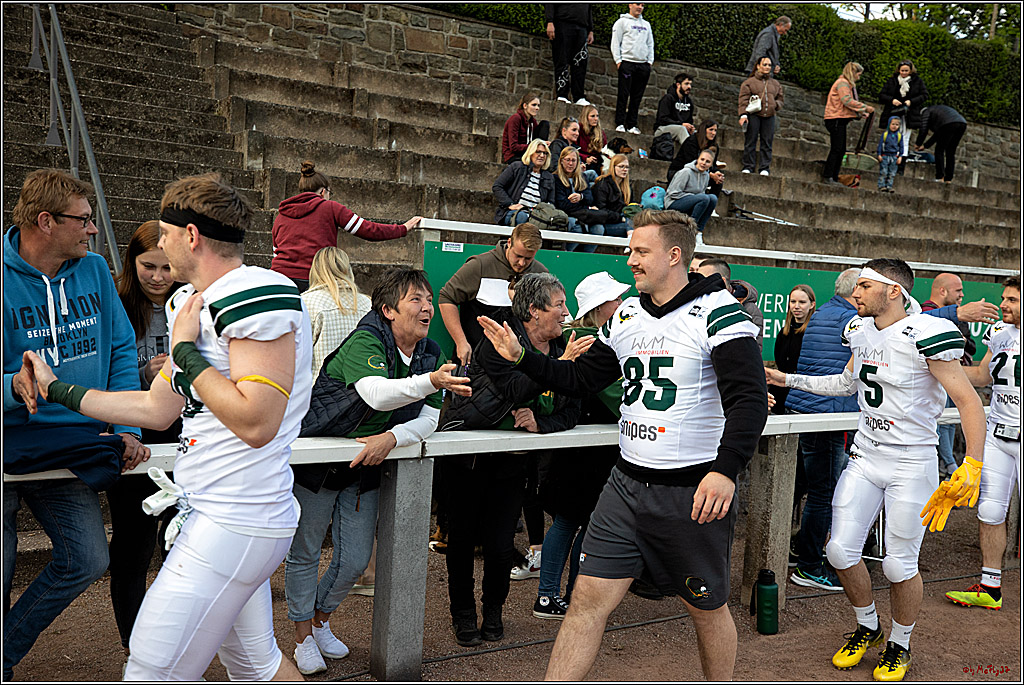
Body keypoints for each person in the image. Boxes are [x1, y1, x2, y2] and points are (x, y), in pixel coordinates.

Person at [19, 172, 311, 680]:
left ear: (191, 236)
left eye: (165, 233)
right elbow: (158, 410)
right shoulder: (189, 301)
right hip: (217, 512)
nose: (161, 242)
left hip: (237, 517)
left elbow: (257, 422)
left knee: (150, 670)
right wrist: (56, 389)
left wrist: (181, 351)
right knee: (255, 666)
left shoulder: (257, 292)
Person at [478, 209, 769, 680]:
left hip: (690, 491)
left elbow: (750, 401)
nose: (630, 259)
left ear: (675, 256)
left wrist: (725, 468)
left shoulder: (720, 314)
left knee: (706, 608)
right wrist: (523, 358)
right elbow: (580, 378)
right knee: (586, 603)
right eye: (629, 249)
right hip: (625, 485)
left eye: (640, 251)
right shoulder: (629, 314)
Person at [766, 258, 987, 682]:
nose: (856, 293)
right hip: (867, 455)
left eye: (865, 285)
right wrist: (787, 379)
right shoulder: (859, 329)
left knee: (899, 565)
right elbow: (846, 384)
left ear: (893, 291)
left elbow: (967, 402)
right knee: (838, 551)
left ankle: (900, 642)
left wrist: (972, 464)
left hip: (911, 460)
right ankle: (868, 625)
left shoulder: (926, 333)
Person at [288, 268, 470, 674]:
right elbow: (376, 393)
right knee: (305, 552)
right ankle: (301, 636)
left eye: (428, 299)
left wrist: (392, 439)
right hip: (319, 463)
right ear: (388, 309)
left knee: (354, 560)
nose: (426, 308)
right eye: (415, 300)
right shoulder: (366, 338)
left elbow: (428, 421)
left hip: (368, 461)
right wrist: (428, 382)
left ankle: (319, 622)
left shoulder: (431, 352)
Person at [4, 169, 147, 680]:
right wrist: (11, 387)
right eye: (82, 220)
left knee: (86, 557)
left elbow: (121, 349)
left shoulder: (94, 271)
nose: (93, 230)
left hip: (72, 446)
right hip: (9, 444)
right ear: (45, 221)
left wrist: (126, 423)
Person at [439, 273, 581, 647]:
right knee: (463, 541)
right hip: (467, 457)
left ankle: (494, 612)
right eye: (559, 305)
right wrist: (560, 365)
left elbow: (574, 409)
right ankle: (463, 614)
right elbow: (516, 388)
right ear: (533, 311)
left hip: (514, 463)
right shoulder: (498, 337)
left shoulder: (563, 345)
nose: (567, 313)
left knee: (502, 546)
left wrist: (542, 422)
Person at [108, 220, 184, 665]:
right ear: (131, 263)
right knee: (132, 545)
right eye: (148, 266)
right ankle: (134, 646)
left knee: (179, 540)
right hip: (133, 437)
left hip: (182, 437)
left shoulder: (191, 303)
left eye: (166, 267)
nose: (158, 277)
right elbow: (105, 375)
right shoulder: (115, 304)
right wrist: (146, 375)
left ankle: (173, 637)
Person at [533, 272, 629, 620]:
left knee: (578, 521)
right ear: (601, 306)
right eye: (615, 300)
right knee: (570, 520)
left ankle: (566, 596)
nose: (621, 305)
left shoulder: (597, 337)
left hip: (589, 449)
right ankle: (550, 596)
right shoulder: (589, 340)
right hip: (581, 452)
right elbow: (615, 396)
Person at [945, 275, 1020, 611]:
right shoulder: (1001, 334)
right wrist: (942, 371)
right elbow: (981, 376)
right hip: (999, 433)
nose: (1003, 305)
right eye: (1005, 298)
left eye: (1013, 300)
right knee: (990, 510)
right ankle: (990, 587)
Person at [271, 161, 419, 292]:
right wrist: (402, 228)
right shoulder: (329, 208)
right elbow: (368, 230)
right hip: (315, 278)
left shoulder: (281, 215)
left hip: (279, 279)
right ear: (323, 192)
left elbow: (276, 251)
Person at [438, 222, 548, 368]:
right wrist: (461, 342)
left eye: (528, 259)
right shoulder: (480, 265)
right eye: (518, 256)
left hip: (519, 364)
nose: (521, 263)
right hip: (477, 363)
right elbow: (446, 298)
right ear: (509, 243)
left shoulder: (541, 274)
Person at [921, 273, 976, 478]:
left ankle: (949, 466)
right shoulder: (924, 313)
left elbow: (968, 346)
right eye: (958, 290)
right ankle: (951, 466)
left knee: (951, 424)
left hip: (954, 380)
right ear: (942, 291)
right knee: (941, 424)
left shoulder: (956, 318)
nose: (962, 295)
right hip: (935, 384)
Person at [301, 246, 371, 378]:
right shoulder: (367, 303)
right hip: (359, 388)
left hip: (319, 390)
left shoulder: (307, 302)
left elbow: (299, 354)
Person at [822, 63, 874, 186]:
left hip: (837, 119)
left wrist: (860, 114)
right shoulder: (843, 83)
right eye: (858, 74)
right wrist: (865, 108)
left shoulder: (845, 84)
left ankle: (833, 176)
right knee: (837, 149)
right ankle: (828, 176)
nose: (859, 78)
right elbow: (847, 101)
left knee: (840, 149)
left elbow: (846, 104)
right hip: (836, 119)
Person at [696, 258, 764, 350]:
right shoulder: (699, 302)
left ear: (723, 281)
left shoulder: (749, 309)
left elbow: (752, 351)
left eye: (706, 281)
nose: (700, 285)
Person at [771, 284, 816, 415]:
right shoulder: (783, 333)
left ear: (812, 305)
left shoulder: (813, 333)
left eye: (802, 302)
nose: (796, 306)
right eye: (793, 301)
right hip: (780, 394)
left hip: (803, 396)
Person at [610, 3, 654, 135]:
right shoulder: (622, 22)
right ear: (630, 5)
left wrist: (649, 62)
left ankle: (632, 124)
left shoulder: (646, 25)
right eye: (637, 4)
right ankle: (620, 123)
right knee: (623, 94)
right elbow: (615, 43)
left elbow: (650, 44)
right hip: (627, 63)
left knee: (637, 96)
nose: (640, 7)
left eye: (642, 5)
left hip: (642, 65)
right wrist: (618, 61)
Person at [492, 139, 556, 227]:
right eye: (538, 152)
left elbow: (551, 202)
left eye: (545, 153)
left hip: (536, 216)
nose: (542, 155)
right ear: (530, 153)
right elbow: (497, 186)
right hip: (514, 213)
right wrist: (510, 204)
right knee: (522, 217)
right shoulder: (517, 167)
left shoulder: (549, 177)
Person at [738, 56, 784, 177]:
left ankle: (764, 167)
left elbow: (780, 98)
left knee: (767, 142)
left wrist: (776, 105)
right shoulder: (749, 83)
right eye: (765, 64)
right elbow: (743, 100)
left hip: (769, 115)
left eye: (769, 65)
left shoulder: (775, 83)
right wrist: (743, 115)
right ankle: (748, 165)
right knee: (750, 141)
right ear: (758, 66)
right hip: (754, 114)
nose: (767, 67)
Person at [877, 60, 929, 162]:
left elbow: (924, 95)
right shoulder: (892, 81)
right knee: (890, 136)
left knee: (905, 138)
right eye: (902, 71)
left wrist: (911, 101)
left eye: (906, 71)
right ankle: (888, 158)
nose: (904, 73)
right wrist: (892, 100)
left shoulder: (917, 81)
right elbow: (882, 95)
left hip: (909, 114)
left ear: (910, 71)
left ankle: (901, 160)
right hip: (893, 112)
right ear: (899, 70)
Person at [545, 3, 594, 106]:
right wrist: (550, 21)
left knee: (580, 63)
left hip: (582, 27)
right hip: (563, 23)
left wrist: (590, 30)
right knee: (562, 60)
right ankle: (562, 94)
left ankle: (579, 96)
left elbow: (589, 8)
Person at [552, 147, 598, 253]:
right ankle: (567, 254)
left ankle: (586, 258)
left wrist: (580, 197)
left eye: (573, 160)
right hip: (566, 214)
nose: (570, 163)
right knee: (577, 227)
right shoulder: (556, 178)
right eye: (567, 160)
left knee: (598, 229)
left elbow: (590, 199)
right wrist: (586, 206)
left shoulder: (582, 177)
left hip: (582, 214)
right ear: (561, 161)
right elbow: (562, 204)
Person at [666, 150, 719, 240]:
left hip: (691, 202)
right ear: (697, 159)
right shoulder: (686, 172)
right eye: (702, 159)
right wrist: (693, 197)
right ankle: (689, 230)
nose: (704, 163)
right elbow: (673, 193)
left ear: (711, 165)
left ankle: (698, 232)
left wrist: (695, 198)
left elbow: (701, 194)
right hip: (674, 202)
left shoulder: (706, 175)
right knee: (704, 198)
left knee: (713, 198)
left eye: (707, 161)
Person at [668, 119, 726, 196]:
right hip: (682, 172)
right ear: (704, 130)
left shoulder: (714, 146)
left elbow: (713, 165)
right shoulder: (691, 141)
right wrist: (711, 175)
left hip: (702, 174)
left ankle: (711, 205)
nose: (713, 133)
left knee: (718, 182)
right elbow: (693, 163)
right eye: (711, 130)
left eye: (715, 130)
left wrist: (717, 173)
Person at [914, 104, 968, 184]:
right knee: (950, 152)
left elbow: (923, 129)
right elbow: (938, 134)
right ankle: (948, 178)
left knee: (939, 150)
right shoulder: (940, 112)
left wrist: (918, 143)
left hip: (949, 124)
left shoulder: (926, 112)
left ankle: (940, 176)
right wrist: (925, 146)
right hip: (962, 123)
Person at [591, 154, 634, 238]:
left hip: (623, 222)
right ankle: (630, 241)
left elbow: (629, 206)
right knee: (634, 228)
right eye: (621, 166)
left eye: (627, 167)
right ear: (613, 167)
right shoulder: (603, 184)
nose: (625, 170)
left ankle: (630, 240)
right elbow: (601, 210)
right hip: (605, 223)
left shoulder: (627, 187)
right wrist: (620, 217)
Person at [653, 73, 698, 152]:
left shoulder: (689, 102)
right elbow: (662, 119)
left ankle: (709, 158)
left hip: (680, 130)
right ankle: (692, 155)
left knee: (699, 134)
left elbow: (689, 121)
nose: (689, 87)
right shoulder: (668, 98)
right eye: (686, 84)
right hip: (662, 129)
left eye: (690, 84)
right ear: (678, 85)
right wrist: (681, 124)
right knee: (681, 129)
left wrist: (691, 127)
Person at [502, 92, 548, 165]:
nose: (537, 108)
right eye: (534, 105)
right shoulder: (515, 119)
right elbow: (513, 147)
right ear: (525, 105)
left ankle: (540, 149)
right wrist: (533, 147)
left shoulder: (533, 122)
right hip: (513, 156)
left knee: (545, 124)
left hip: (526, 154)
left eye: (538, 105)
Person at [876, 116, 904, 193]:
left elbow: (901, 146)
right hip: (885, 155)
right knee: (883, 172)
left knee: (892, 173)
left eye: (897, 124)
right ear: (889, 124)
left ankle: (889, 186)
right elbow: (880, 145)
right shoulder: (885, 134)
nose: (894, 126)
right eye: (893, 124)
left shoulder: (899, 136)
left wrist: (900, 156)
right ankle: (881, 185)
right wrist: (879, 154)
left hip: (894, 156)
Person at [578, 104, 608, 175]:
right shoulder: (579, 129)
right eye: (592, 116)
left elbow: (605, 150)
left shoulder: (600, 132)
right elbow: (573, 149)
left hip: (596, 162)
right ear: (586, 117)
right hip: (582, 160)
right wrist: (586, 158)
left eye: (597, 116)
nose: (596, 119)